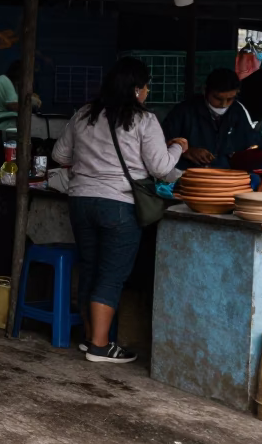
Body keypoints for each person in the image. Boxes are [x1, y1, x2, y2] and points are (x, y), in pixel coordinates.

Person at [52, 57, 187, 364]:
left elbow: (60, 155)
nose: (148, 91)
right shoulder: (144, 120)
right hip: (120, 205)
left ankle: (90, 340)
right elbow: (162, 168)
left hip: (81, 201)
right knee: (111, 275)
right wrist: (178, 146)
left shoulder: (85, 113)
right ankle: (101, 347)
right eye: (146, 86)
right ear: (137, 89)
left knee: (90, 267)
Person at [162, 68, 262, 170]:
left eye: (230, 99)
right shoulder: (184, 111)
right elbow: (162, 144)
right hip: (190, 174)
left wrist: (247, 152)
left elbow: (252, 142)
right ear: (205, 90)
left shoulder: (238, 111)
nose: (224, 104)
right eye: (218, 98)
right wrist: (186, 152)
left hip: (229, 175)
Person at [0, 60, 41, 144]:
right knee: (21, 128)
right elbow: (13, 106)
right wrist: (29, 102)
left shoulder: (5, 80)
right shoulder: (6, 83)